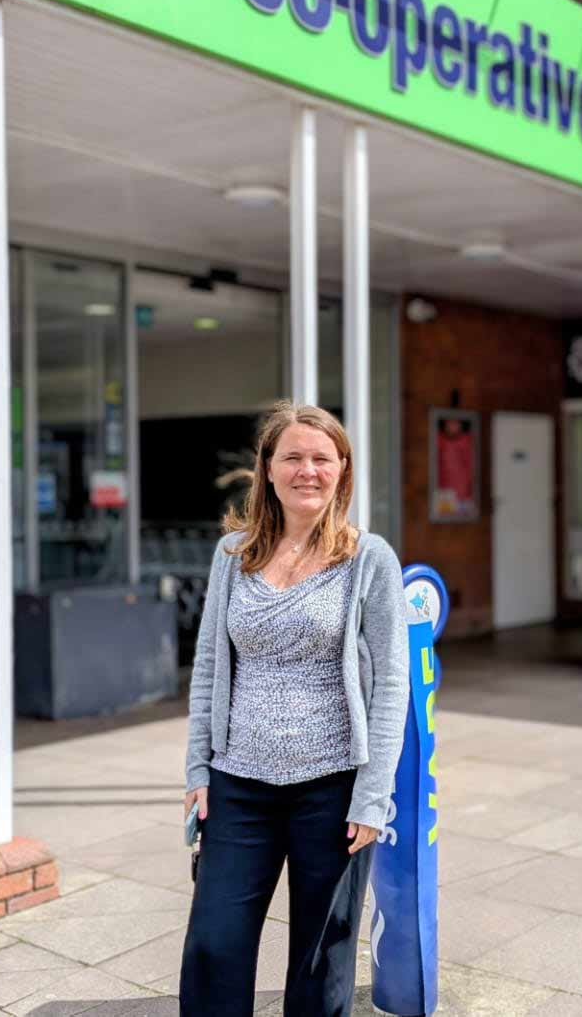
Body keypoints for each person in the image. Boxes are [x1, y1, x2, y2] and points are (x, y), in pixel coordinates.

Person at [180, 401, 409, 1017]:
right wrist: (198, 770)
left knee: (320, 960)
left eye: (322, 458)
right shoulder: (233, 554)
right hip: (238, 784)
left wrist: (373, 796)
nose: (308, 470)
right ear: (268, 468)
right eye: (293, 457)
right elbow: (208, 666)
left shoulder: (369, 559)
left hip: (333, 791)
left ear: (342, 470)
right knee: (214, 946)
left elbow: (393, 685)